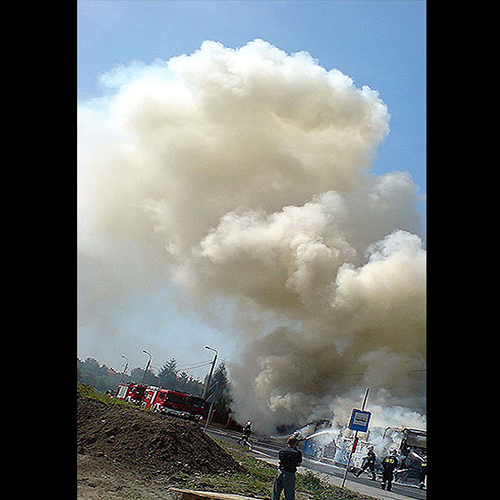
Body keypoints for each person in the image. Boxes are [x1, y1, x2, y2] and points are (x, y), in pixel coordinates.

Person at [273, 435, 303, 500]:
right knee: (289, 494)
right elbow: (298, 464)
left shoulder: (282, 451)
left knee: (276, 492)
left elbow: (280, 460)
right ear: (296, 443)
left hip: (280, 472)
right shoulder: (297, 453)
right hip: (289, 474)